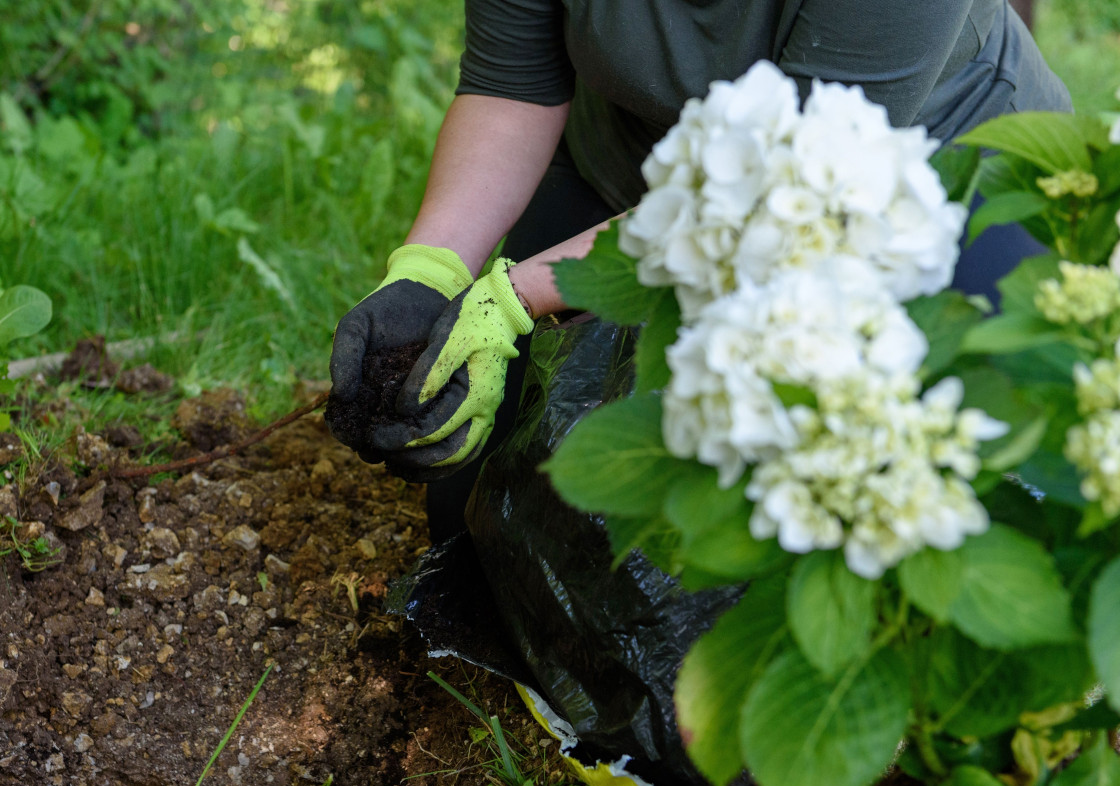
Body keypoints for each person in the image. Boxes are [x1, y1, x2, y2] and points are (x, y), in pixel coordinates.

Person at [326, 0, 1072, 539]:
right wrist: (430, 269)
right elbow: (511, 85)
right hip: (634, 167)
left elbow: (794, 176)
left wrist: (517, 297)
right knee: (486, 514)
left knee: (955, 508)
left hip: (912, 182)